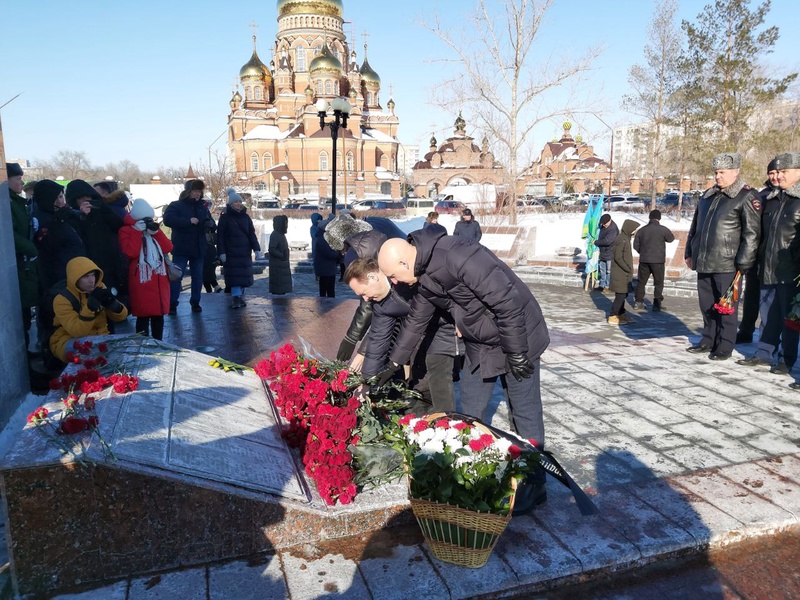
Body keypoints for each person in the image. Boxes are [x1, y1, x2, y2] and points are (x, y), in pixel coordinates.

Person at [378, 230, 549, 514]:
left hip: (520, 334)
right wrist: (392, 364)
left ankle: (534, 485)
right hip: (482, 340)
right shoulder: (424, 273)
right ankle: (475, 475)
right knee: (470, 410)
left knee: (524, 409)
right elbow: (416, 321)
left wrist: (518, 352)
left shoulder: (459, 254)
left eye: (393, 276)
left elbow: (509, 302)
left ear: (405, 263)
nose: (393, 283)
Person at [344, 257, 462, 414]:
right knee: (420, 381)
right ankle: (422, 421)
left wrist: (460, 316)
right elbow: (377, 342)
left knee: (438, 376)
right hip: (420, 330)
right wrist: (367, 382)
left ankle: (447, 423)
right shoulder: (381, 304)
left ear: (373, 276)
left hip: (448, 324)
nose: (364, 299)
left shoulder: (404, 278)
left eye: (363, 293)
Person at [685, 153, 761, 361]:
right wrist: (690, 252)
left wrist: (744, 262)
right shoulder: (707, 196)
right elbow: (695, 228)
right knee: (707, 304)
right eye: (716, 172)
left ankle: (725, 345)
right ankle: (708, 339)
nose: (718, 176)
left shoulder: (746, 196)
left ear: (735, 172)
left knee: (726, 307)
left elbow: (752, 233)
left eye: (722, 172)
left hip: (728, 262)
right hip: (704, 260)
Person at [737, 152, 800, 374]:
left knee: (790, 319)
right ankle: (763, 353)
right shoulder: (769, 199)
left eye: (783, 172)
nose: (778, 177)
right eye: (774, 172)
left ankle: (786, 359)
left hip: (791, 272)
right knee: (767, 316)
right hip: (766, 268)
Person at [49, 257, 128, 364]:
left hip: (99, 337)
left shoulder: (99, 287)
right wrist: (90, 308)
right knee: (90, 352)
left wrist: (113, 305)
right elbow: (77, 331)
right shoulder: (62, 299)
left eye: (93, 275)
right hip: (68, 340)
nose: (91, 281)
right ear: (75, 279)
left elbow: (122, 317)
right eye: (86, 277)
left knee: (124, 349)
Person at [737, 160, 779, 344]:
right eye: (772, 172)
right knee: (751, 297)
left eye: (779, 172)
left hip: (778, 259)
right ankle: (746, 330)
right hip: (757, 254)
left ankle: (771, 340)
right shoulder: (762, 196)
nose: (775, 176)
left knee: (772, 302)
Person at [118, 199, 172, 339]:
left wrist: (156, 232)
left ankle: (159, 343)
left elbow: (168, 248)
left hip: (159, 278)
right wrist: (136, 231)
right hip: (141, 279)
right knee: (143, 315)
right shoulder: (126, 230)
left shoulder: (153, 232)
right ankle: (141, 344)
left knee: (158, 315)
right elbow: (131, 252)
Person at [65, 180, 125, 303]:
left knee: (111, 294)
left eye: (88, 196)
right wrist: (82, 216)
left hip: (109, 260)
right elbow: (76, 236)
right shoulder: (72, 216)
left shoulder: (101, 210)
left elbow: (118, 225)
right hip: (88, 262)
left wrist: (103, 207)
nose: (86, 200)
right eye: (81, 198)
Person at [163, 179, 212, 313]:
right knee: (177, 276)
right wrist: (187, 221)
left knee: (197, 277)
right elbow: (167, 219)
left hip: (198, 248)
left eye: (199, 191)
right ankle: (172, 303)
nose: (198, 194)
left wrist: (210, 225)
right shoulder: (176, 205)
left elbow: (209, 221)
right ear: (188, 192)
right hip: (182, 247)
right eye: (195, 191)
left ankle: (195, 302)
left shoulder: (202, 206)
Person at [6, 163, 39, 354]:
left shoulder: (15, 202)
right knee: (21, 317)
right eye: (18, 179)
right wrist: (31, 248)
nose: (22, 182)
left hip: (23, 265)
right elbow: (10, 232)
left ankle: (25, 357)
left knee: (25, 317)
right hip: (18, 265)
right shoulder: (8, 203)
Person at [218, 188, 261, 308]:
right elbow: (220, 236)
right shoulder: (225, 217)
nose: (238, 204)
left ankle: (239, 297)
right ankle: (236, 298)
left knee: (242, 276)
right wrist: (221, 252)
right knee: (235, 276)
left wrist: (256, 249)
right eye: (235, 202)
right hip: (231, 252)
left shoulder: (246, 217)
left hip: (244, 251)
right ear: (230, 204)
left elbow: (251, 234)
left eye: (239, 202)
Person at [633, 209, 675, 311]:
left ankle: (638, 302)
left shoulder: (642, 230)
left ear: (649, 218)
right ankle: (657, 304)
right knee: (658, 283)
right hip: (658, 261)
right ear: (659, 218)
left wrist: (642, 252)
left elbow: (635, 245)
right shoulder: (662, 229)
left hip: (644, 260)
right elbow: (671, 239)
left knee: (641, 282)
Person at [607, 219, 639, 325]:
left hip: (624, 273)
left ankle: (621, 314)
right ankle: (613, 315)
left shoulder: (626, 238)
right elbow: (618, 257)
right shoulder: (621, 239)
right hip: (620, 273)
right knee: (620, 296)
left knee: (623, 295)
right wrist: (627, 268)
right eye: (634, 229)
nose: (635, 232)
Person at [313, 217, 340, 297]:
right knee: (327, 290)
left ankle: (327, 304)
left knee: (328, 289)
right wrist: (338, 255)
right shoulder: (322, 238)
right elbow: (328, 252)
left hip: (327, 267)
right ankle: (327, 306)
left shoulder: (323, 237)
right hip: (326, 268)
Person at [593, 214, 618, 293]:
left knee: (609, 271)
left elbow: (607, 241)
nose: (604, 225)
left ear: (609, 220)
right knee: (603, 270)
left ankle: (607, 286)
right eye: (603, 224)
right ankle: (602, 285)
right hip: (603, 252)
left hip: (610, 252)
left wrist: (596, 242)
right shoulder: (603, 226)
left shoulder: (613, 229)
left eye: (605, 224)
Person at [268, 214, 292, 295]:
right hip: (277, 266)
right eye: (285, 223)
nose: (286, 225)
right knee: (278, 291)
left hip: (282, 265)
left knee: (282, 291)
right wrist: (282, 256)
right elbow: (272, 249)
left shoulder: (281, 235)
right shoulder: (275, 235)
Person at [202, 202, 223, 294]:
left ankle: (213, 286)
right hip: (200, 244)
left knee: (211, 266)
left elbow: (214, 227)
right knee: (204, 268)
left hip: (209, 245)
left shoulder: (207, 214)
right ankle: (213, 286)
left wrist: (211, 225)